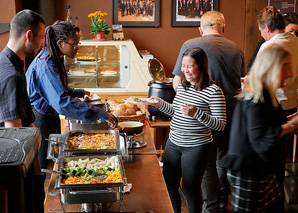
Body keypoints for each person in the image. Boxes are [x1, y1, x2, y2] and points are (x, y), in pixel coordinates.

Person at [172, 11, 245, 212]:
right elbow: (241, 80)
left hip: (203, 116)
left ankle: (208, 207)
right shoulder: (236, 48)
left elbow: (179, 81)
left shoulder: (190, 45)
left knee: (207, 166)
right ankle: (220, 202)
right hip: (232, 114)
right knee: (222, 162)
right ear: (223, 27)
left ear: (200, 29)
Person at [25, 21, 118, 169]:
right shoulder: (46, 65)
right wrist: (102, 114)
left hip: (48, 116)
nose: (77, 49)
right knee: (43, 167)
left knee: (52, 163)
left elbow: (53, 89)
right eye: (74, 45)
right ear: (61, 43)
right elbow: (63, 103)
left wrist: (76, 92)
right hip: (39, 119)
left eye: (78, 44)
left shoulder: (55, 55)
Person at [219, 44, 298, 212]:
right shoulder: (257, 100)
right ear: (274, 68)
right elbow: (261, 141)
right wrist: (291, 125)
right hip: (249, 173)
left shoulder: (265, 94)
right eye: (287, 68)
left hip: (261, 169)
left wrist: (291, 120)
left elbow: (267, 124)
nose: (291, 74)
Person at [150, 47, 226, 213]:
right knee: (169, 186)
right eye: (183, 66)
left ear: (201, 66)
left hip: (197, 147)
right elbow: (176, 112)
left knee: (190, 190)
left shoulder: (214, 91)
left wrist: (197, 113)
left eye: (190, 66)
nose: (185, 70)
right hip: (174, 143)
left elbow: (220, 124)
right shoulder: (184, 87)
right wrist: (159, 103)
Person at [0, 9, 45, 127]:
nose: (42, 44)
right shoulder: (12, 75)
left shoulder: (6, 61)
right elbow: (13, 134)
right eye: (41, 37)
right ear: (29, 35)